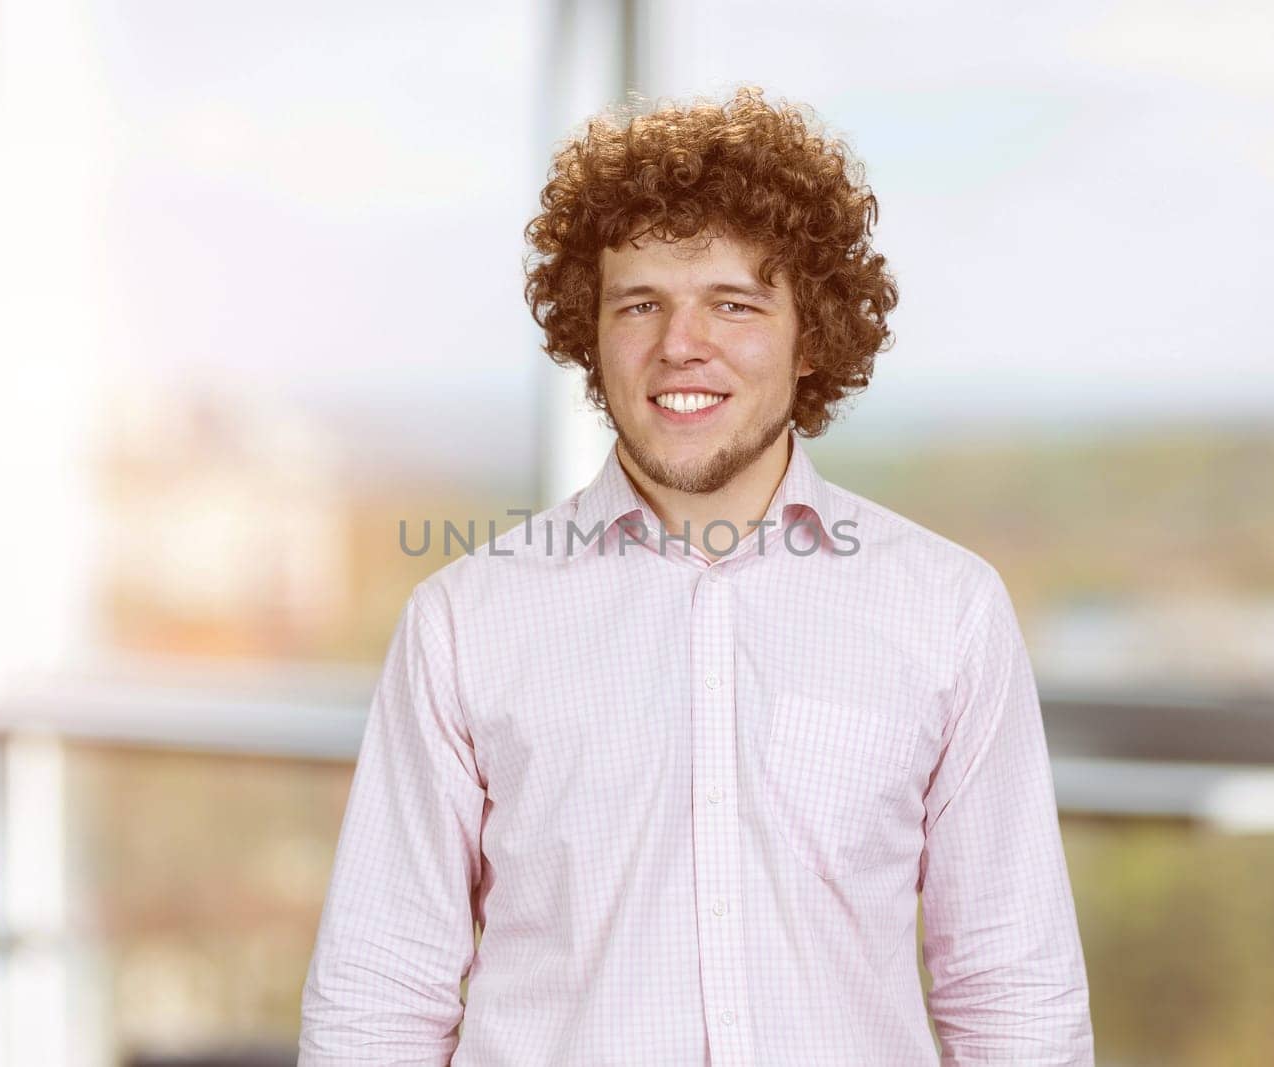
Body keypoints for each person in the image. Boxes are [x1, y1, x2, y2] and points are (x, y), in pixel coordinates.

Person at [299, 84, 1094, 1066]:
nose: (682, 345)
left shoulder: (945, 612)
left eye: (734, 302)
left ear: (812, 335)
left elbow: (1010, 983)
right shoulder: (463, 621)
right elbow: (380, 991)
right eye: (641, 304)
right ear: (588, 330)